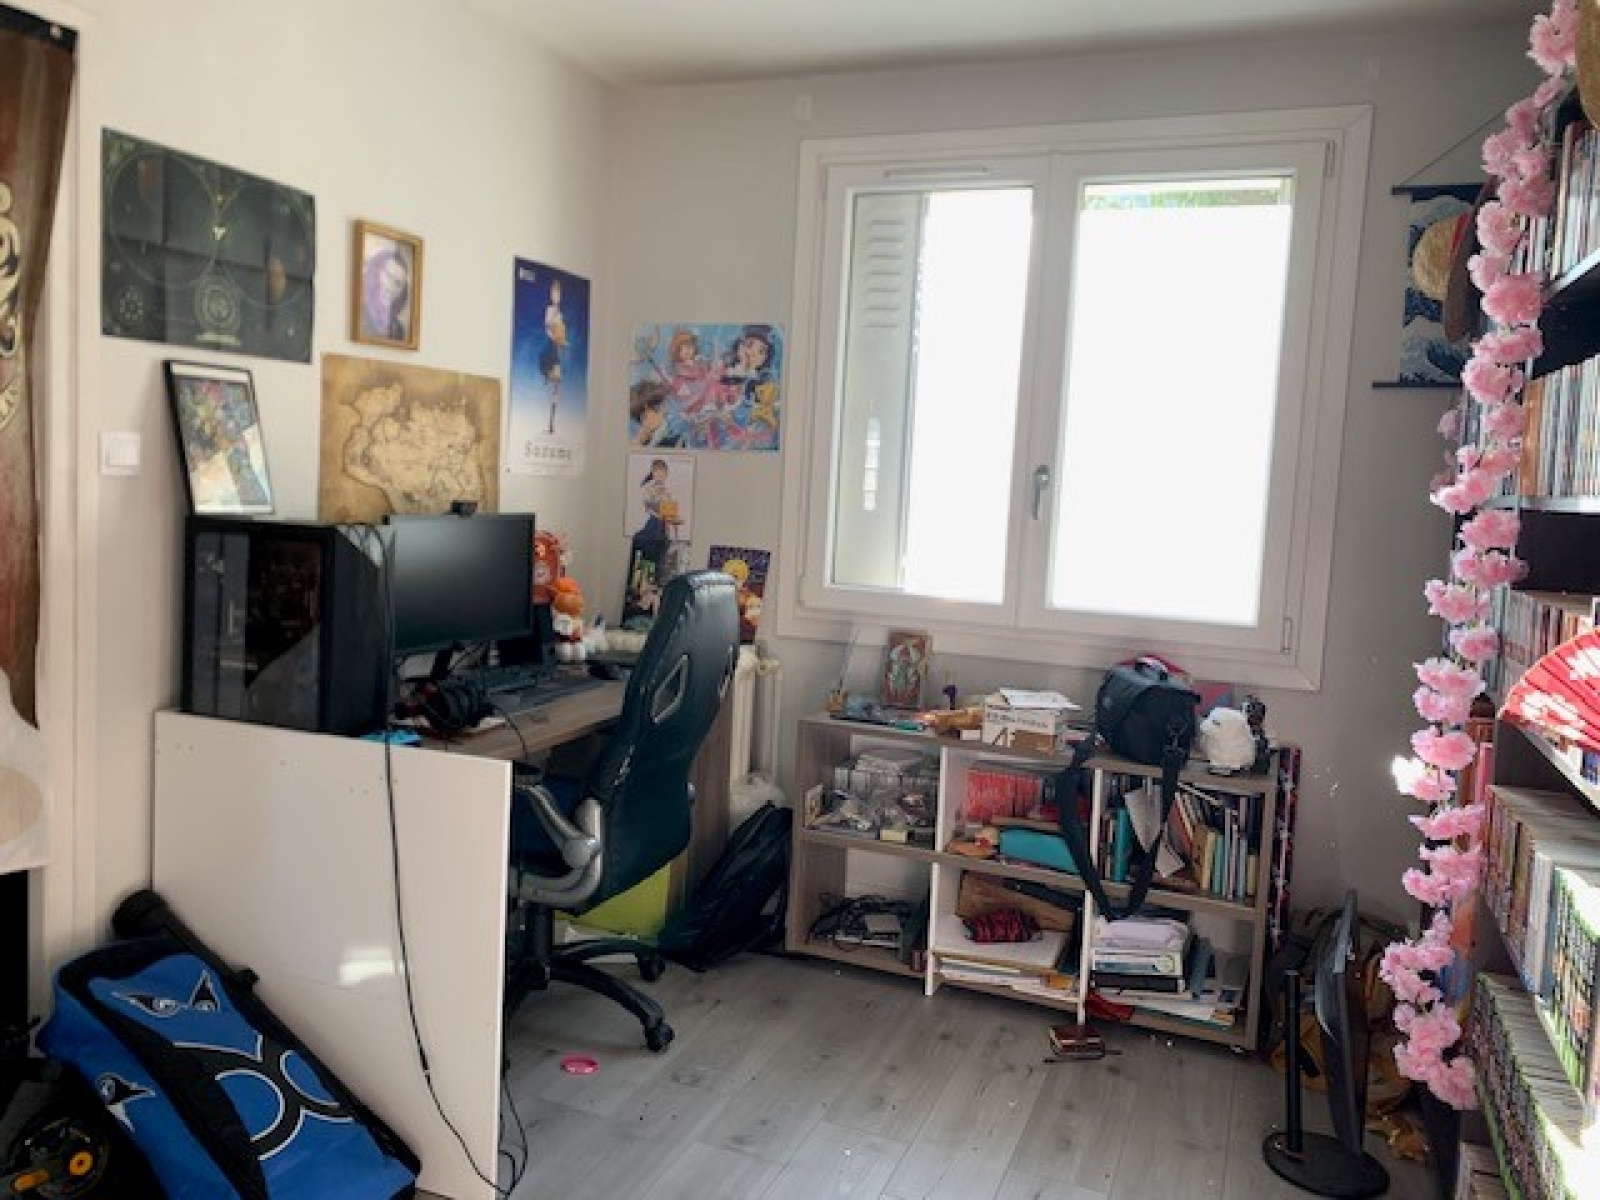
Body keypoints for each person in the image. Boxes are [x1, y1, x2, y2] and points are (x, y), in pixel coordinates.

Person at [360, 245, 411, 342]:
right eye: (388, 275)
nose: (390, 286)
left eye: (397, 283)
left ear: (401, 292)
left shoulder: (398, 330)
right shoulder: (357, 312)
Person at [540, 277, 568, 433]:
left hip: (557, 348)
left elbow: (561, 335)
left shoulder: (560, 314)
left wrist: (563, 342)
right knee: (548, 369)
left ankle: (551, 422)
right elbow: (547, 326)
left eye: (558, 293)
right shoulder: (550, 310)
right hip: (550, 346)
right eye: (554, 292)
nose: (556, 295)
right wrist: (553, 324)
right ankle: (548, 375)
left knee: (557, 385)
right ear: (551, 294)